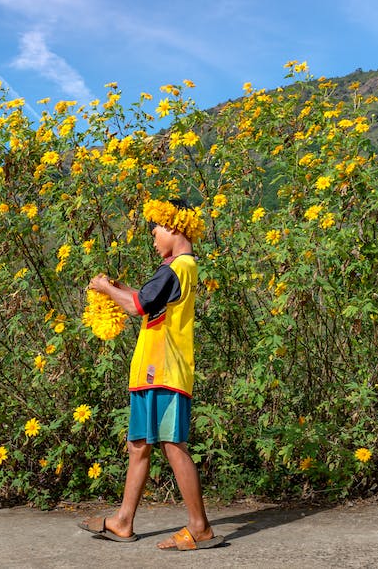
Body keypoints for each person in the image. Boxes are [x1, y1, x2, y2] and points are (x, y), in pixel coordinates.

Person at [79, 199, 224, 551]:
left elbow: (137, 305)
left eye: (155, 230)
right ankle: (123, 521)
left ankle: (200, 527)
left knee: (173, 445)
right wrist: (119, 288)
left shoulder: (177, 267)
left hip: (165, 370)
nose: (154, 239)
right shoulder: (177, 269)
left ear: (173, 226)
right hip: (151, 371)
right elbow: (144, 299)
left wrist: (105, 289)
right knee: (139, 445)